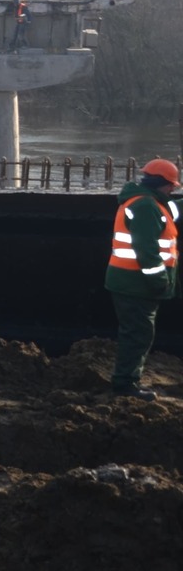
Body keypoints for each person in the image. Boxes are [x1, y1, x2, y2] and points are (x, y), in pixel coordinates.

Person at [105, 159, 180, 398]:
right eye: (172, 187)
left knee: (137, 333)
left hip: (132, 283)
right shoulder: (145, 207)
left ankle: (127, 381)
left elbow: (173, 211)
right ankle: (125, 384)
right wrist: (160, 282)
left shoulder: (148, 202)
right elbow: (146, 252)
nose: (173, 190)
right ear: (162, 185)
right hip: (135, 284)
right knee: (138, 335)